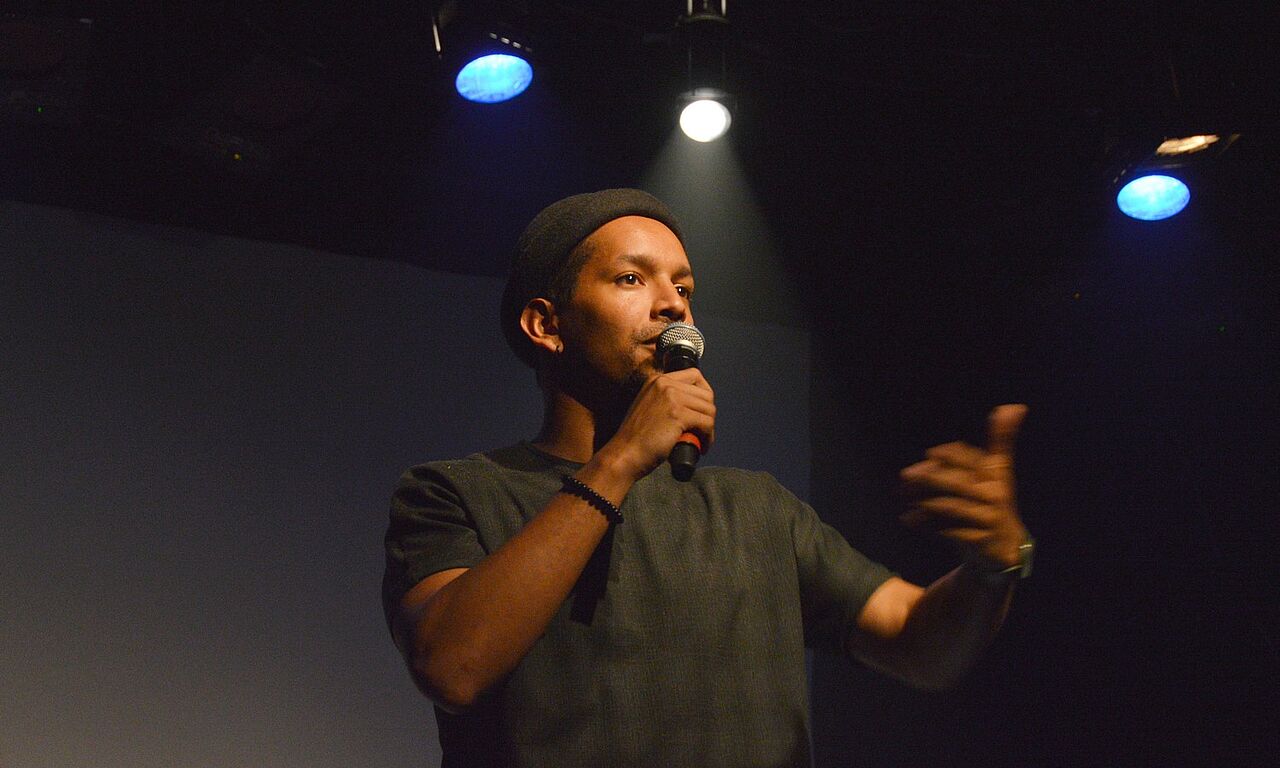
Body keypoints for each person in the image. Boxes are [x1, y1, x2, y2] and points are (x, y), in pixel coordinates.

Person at [381, 188, 1034, 768]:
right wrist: (621, 459)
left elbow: (921, 646)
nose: (673, 304)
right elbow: (453, 667)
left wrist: (992, 568)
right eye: (632, 278)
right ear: (547, 325)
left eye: (685, 288)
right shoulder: (456, 492)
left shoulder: (757, 510)